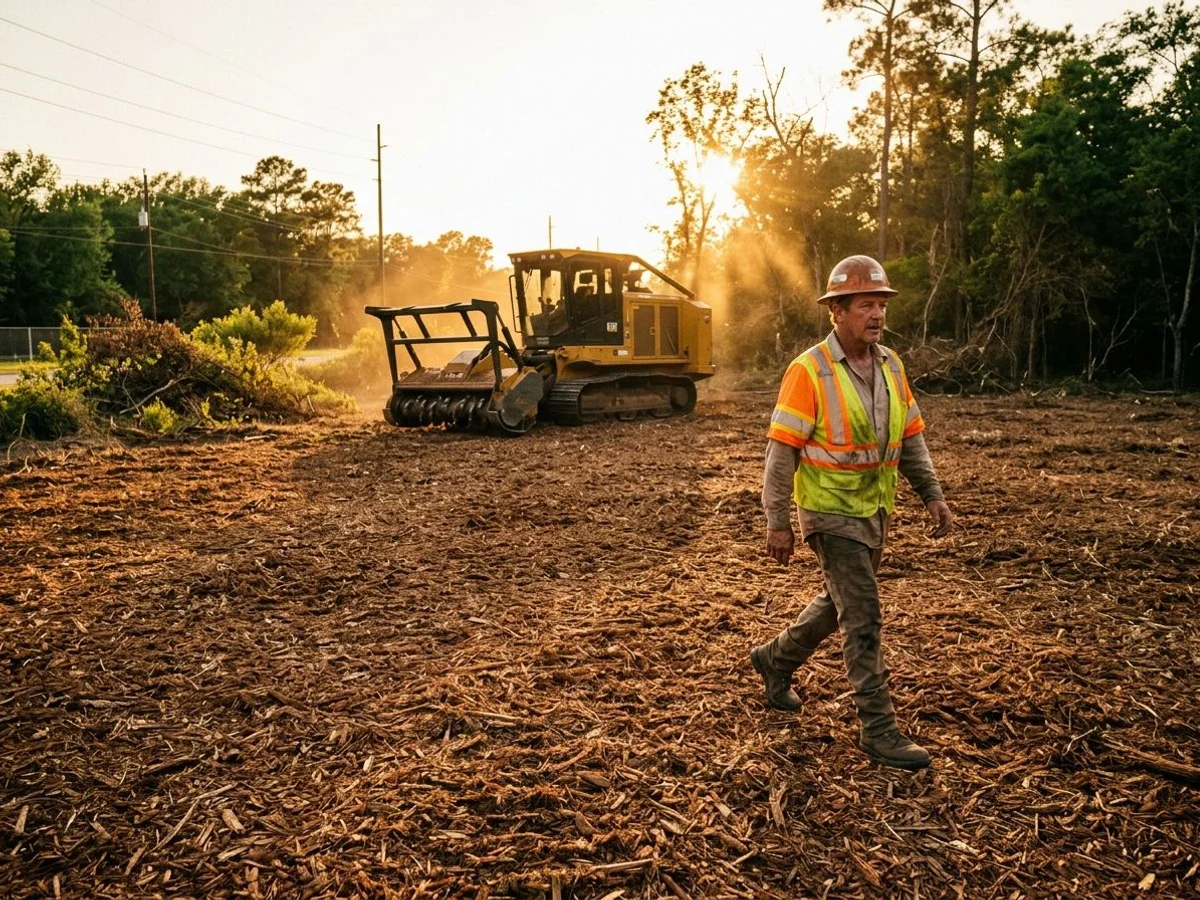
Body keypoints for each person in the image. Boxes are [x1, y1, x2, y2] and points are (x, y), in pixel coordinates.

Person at [749, 255, 954, 771]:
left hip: (874, 510)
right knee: (863, 616)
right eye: (866, 304)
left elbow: (910, 437)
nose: (877, 314)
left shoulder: (891, 365)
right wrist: (777, 521)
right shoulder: (809, 370)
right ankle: (877, 728)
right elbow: (781, 452)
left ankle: (775, 658)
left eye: (881, 304)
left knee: (837, 604)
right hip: (828, 512)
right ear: (836, 311)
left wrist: (932, 493)